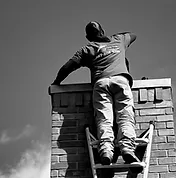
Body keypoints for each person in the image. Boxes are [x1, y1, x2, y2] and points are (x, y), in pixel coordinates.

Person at [52, 21, 138, 165]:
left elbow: (68, 67)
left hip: (101, 83)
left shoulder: (87, 49)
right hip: (121, 81)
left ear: (88, 37)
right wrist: (115, 38)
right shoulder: (119, 40)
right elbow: (133, 35)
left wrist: (56, 83)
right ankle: (127, 149)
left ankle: (106, 151)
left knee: (104, 119)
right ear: (102, 30)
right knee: (125, 116)